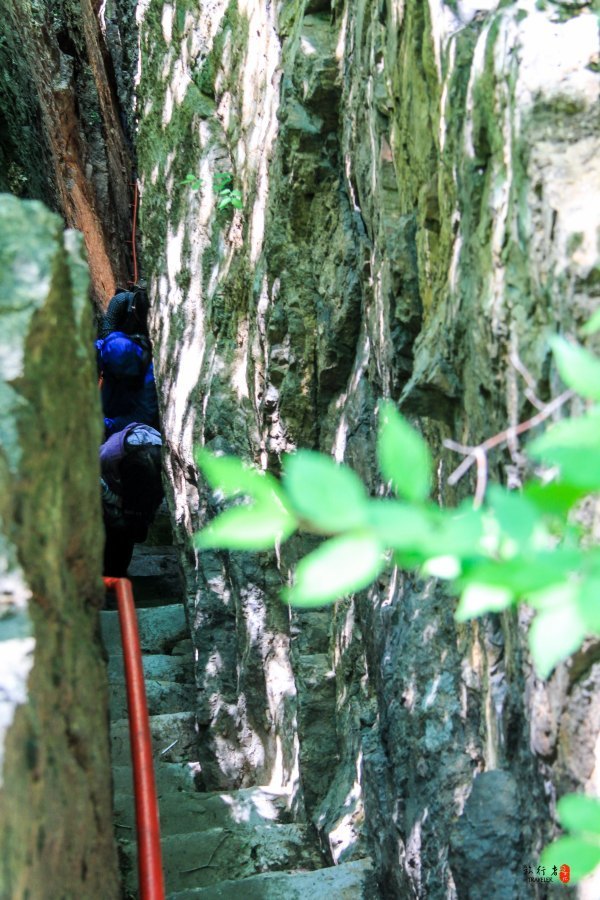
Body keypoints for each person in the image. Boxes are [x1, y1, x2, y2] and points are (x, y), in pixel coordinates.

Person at [100, 422, 164, 576]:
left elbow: (155, 496)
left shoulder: (163, 460)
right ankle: (112, 573)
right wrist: (117, 502)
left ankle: (117, 572)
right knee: (115, 530)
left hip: (142, 492)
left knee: (131, 529)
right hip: (109, 490)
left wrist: (142, 513)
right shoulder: (107, 456)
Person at [96, 330, 159, 438]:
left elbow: (143, 415)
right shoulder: (115, 343)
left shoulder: (148, 378)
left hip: (126, 403)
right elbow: (100, 347)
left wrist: (108, 425)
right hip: (115, 383)